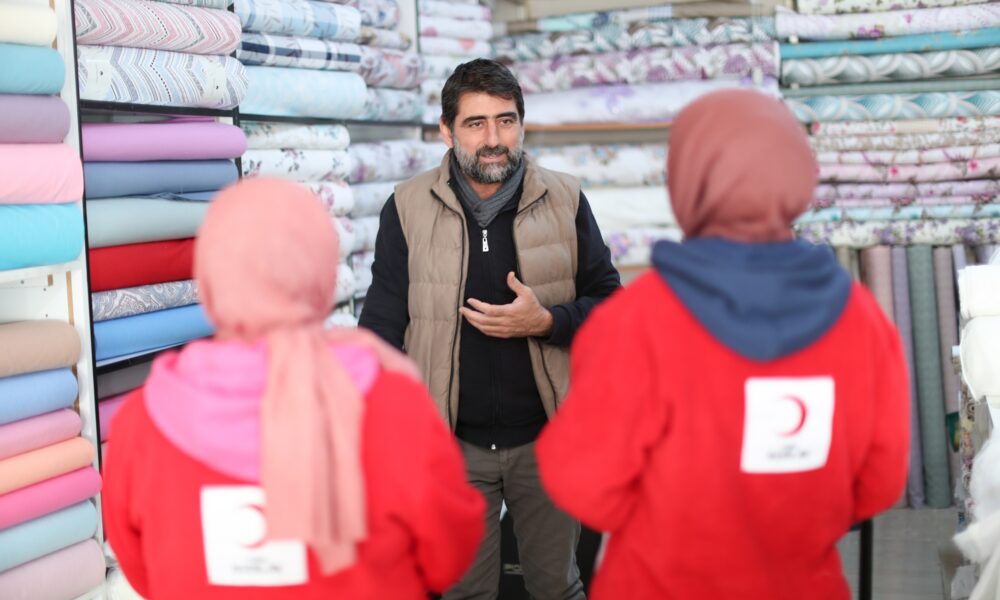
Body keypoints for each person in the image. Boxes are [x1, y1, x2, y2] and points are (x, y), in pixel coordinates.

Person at [535, 90, 910, 600]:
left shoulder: (634, 322)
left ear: (685, 179)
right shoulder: (860, 319)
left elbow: (585, 486)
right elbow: (880, 482)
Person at [101, 177, 485, 599]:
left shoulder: (144, 421)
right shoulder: (389, 401)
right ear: (322, 275)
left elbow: (142, 569)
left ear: (208, 280)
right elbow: (448, 554)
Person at [359, 58, 620, 599]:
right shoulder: (406, 207)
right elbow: (381, 327)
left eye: (506, 121)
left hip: (547, 441)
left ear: (522, 124)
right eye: (476, 123)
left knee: (557, 587)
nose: (494, 139)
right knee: (463, 592)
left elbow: (611, 308)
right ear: (447, 130)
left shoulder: (565, 199)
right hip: (452, 447)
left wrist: (546, 321)